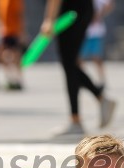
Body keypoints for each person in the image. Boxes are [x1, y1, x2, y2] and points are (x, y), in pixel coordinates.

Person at [41, 0, 117, 137]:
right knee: (70, 64)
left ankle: (76, 120)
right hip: (82, 9)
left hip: (70, 12)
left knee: (69, 64)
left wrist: (49, 19)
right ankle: (98, 100)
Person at [78, 0, 114, 90]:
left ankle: (102, 80)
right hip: (82, 32)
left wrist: (99, 14)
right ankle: (83, 80)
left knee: (97, 58)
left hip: (96, 32)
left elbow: (110, 4)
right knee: (79, 59)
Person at [0, 0, 25, 90]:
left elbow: (19, 14)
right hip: (6, 31)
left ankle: (16, 78)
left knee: (15, 54)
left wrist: (22, 31)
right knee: (7, 54)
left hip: (12, 31)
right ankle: (11, 77)